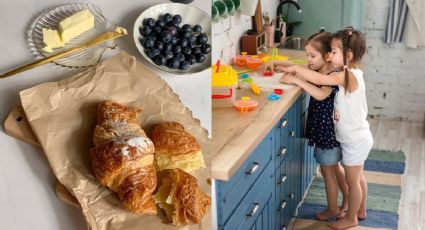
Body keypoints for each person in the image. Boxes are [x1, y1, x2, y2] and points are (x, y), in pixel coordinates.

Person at [279, 26, 372, 230]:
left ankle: (351, 218)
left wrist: (295, 73)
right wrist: (292, 68)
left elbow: (321, 80)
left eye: (334, 52)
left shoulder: (347, 76)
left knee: (352, 180)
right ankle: (361, 210)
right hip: (357, 136)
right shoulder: (350, 72)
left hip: (354, 139)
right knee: (357, 178)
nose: (330, 55)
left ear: (347, 55)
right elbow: (318, 76)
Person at [263, 31, 349, 221]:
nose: (308, 59)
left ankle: (332, 209)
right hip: (327, 130)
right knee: (334, 167)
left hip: (328, 132)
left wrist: (296, 79)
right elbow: (301, 67)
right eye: (307, 55)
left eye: (312, 55)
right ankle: (348, 201)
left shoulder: (332, 74)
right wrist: (277, 64)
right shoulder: (322, 68)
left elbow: (320, 94)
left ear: (327, 56)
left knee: (328, 172)